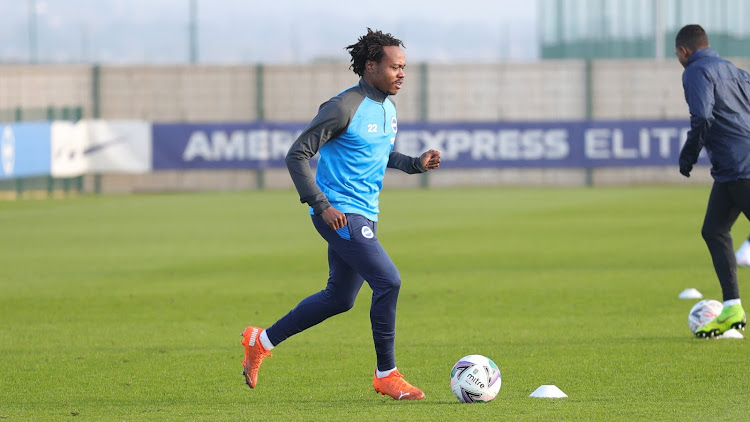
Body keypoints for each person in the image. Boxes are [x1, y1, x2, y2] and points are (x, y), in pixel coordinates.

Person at [240, 28, 441, 399]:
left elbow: (379, 157)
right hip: (339, 214)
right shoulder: (342, 106)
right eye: (395, 67)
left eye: (404, 67)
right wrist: (322, 205)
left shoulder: (387, 108)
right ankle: (386, 374)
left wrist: (414, 163)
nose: (402, 74)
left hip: (365, 213)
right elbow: (296, 154)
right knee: (389, 282)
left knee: (340, 298)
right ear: (370, 66)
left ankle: (261, 341)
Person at [676, 24, 748, 338]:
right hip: (732, 169)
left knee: (716, 231)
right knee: (714, 230)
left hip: (740, 167)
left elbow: (702, 116)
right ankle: (732, 308)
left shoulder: (695, 71)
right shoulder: (734, 70)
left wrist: (689, 155)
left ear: (684, 51)